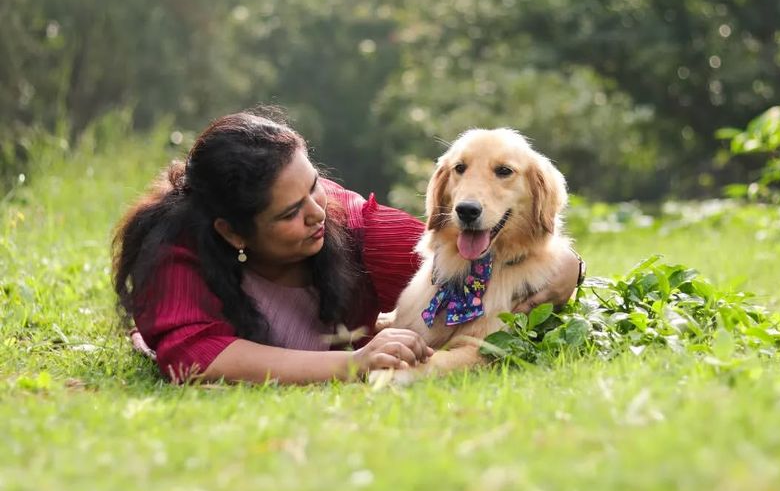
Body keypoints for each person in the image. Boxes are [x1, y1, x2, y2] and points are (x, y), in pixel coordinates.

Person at [112, 109, 582, 385]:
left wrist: (571, 269)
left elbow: (487, 268)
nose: (319, 211)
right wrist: (351, 363)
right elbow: (193, 354)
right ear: (234, 234)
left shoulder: (352, 224)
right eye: (289, 212)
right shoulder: (177, 255)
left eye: (315, 186)